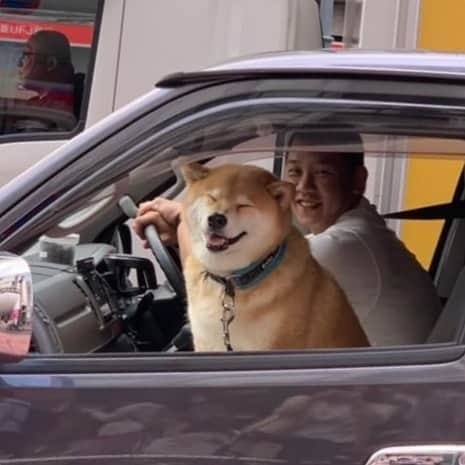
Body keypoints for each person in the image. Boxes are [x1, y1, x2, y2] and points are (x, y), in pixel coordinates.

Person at [133, 133, 441, 346]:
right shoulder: (356, 224)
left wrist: (185, 222)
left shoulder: (349, 247)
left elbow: (225, 290)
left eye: (323, 174)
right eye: (294, 172)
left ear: (357, 182)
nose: (302, 188)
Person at [12, 30, 76, 132]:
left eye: (26, 54)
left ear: (50, 64)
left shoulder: (56, 110)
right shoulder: (39, 103)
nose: (19, 63)